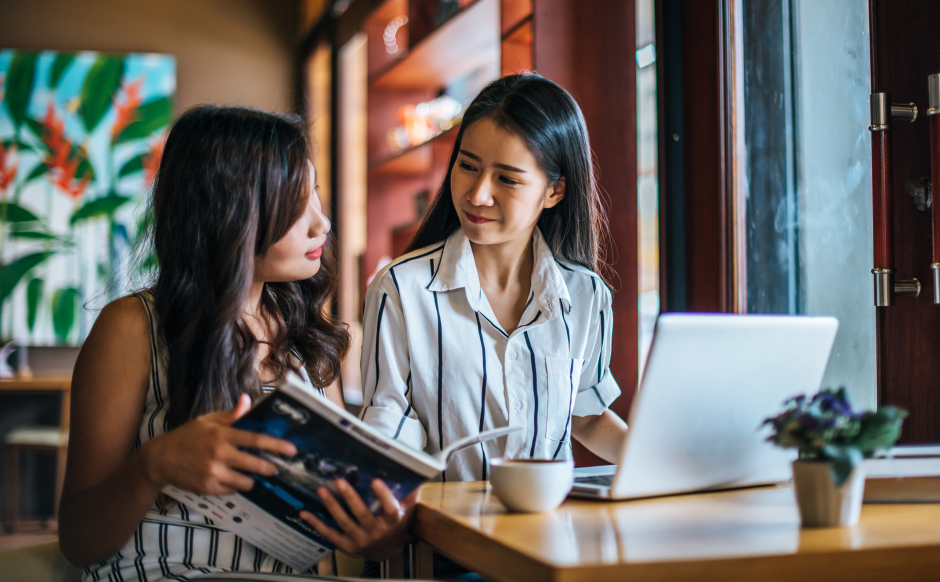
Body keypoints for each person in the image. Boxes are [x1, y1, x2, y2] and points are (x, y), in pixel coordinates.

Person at [59, 106, 415, 581]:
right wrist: (154, 465)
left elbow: (344, 527)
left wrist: (380, 534)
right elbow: (79, 541)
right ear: (230, 211)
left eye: (316, 195)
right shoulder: (133, 326)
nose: (321, 223)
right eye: (294, 203)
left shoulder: (305, 340)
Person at [359, 73, 628, 485]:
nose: (478, 194)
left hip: (549, 537)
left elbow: (585, 416)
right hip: (445, 537)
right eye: (468, 166)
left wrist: (672, 467)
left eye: (507, 178)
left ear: (554, 192)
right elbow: (389, 424)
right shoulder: (400, 289)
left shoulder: (587, 294)